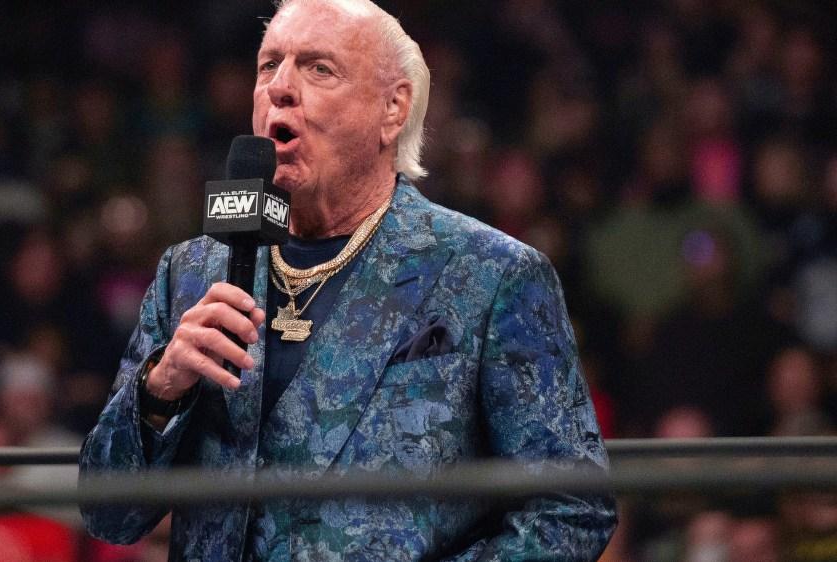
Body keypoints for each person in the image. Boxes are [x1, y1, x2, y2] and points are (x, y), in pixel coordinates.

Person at [79, 0, 616, 559]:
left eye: (319, 68)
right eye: (269, 65)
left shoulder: (491, 274)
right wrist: (160, 388)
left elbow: (570, 510)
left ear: (393, 108)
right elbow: (107, 515)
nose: (279, 88)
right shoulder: (190, 272)